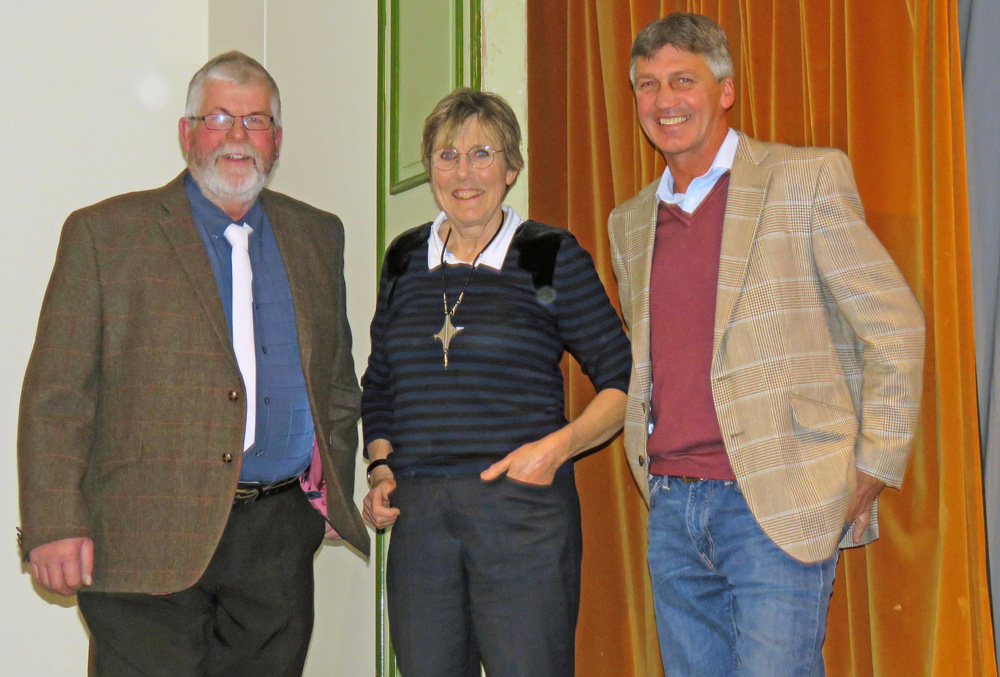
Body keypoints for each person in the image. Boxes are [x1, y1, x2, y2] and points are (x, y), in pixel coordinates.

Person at [17, 51, 368, 675]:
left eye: (256, 120)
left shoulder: (319, 234)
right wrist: (54, 522)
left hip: (276, 541)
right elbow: (57, 394)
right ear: (186, 133)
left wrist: (327, 495)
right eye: (218, 118)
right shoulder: (105, 234)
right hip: (144, 533)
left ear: (277, 140)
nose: (237, 137)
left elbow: (336, 380)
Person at [607, 14, 926, 676]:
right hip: (671, 509)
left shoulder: (804, 180)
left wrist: (875, 464)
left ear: (725, 90)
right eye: (647, 85)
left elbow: (893, 322)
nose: (664, 101)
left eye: (682, 80)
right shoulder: (629, 222)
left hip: (777, 503)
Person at [361, 87, 631, 677]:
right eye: (446, 155)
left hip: (521, 510)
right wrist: (381, 469)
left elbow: (623, 383)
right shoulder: (403, 259)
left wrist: (552, 452)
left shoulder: (547, 255)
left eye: (482, 154)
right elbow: (379, 382)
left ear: (511, 169)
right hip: (422, 517)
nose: (464, 172)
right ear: (429, 166)